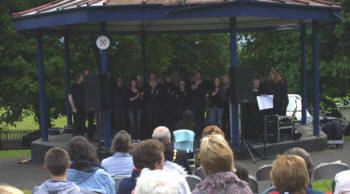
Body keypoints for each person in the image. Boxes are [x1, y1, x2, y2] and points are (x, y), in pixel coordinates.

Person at [68, 72, 86, 136]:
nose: (83, 78)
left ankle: (82, 137)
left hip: (83, 107)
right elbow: (70, 97)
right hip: (76, 107)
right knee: (77, 123)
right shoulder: (73, 86)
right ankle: (75, 137)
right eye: (82, 77)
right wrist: (73, 107)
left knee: (83, 123)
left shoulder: (83, 85)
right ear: (78, 78)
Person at [189, 71, 206, 136]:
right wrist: (195, 87)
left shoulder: (203, 83)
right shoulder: (192, 83)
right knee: (194, 119)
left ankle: (201, 133)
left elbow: (202, 92)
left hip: (201, 104)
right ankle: (195, 134)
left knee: (201, 119)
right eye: (196, 74)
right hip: (193, 104)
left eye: (198, 74)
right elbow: (190, 92)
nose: (197, 76)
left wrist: (196, 88)